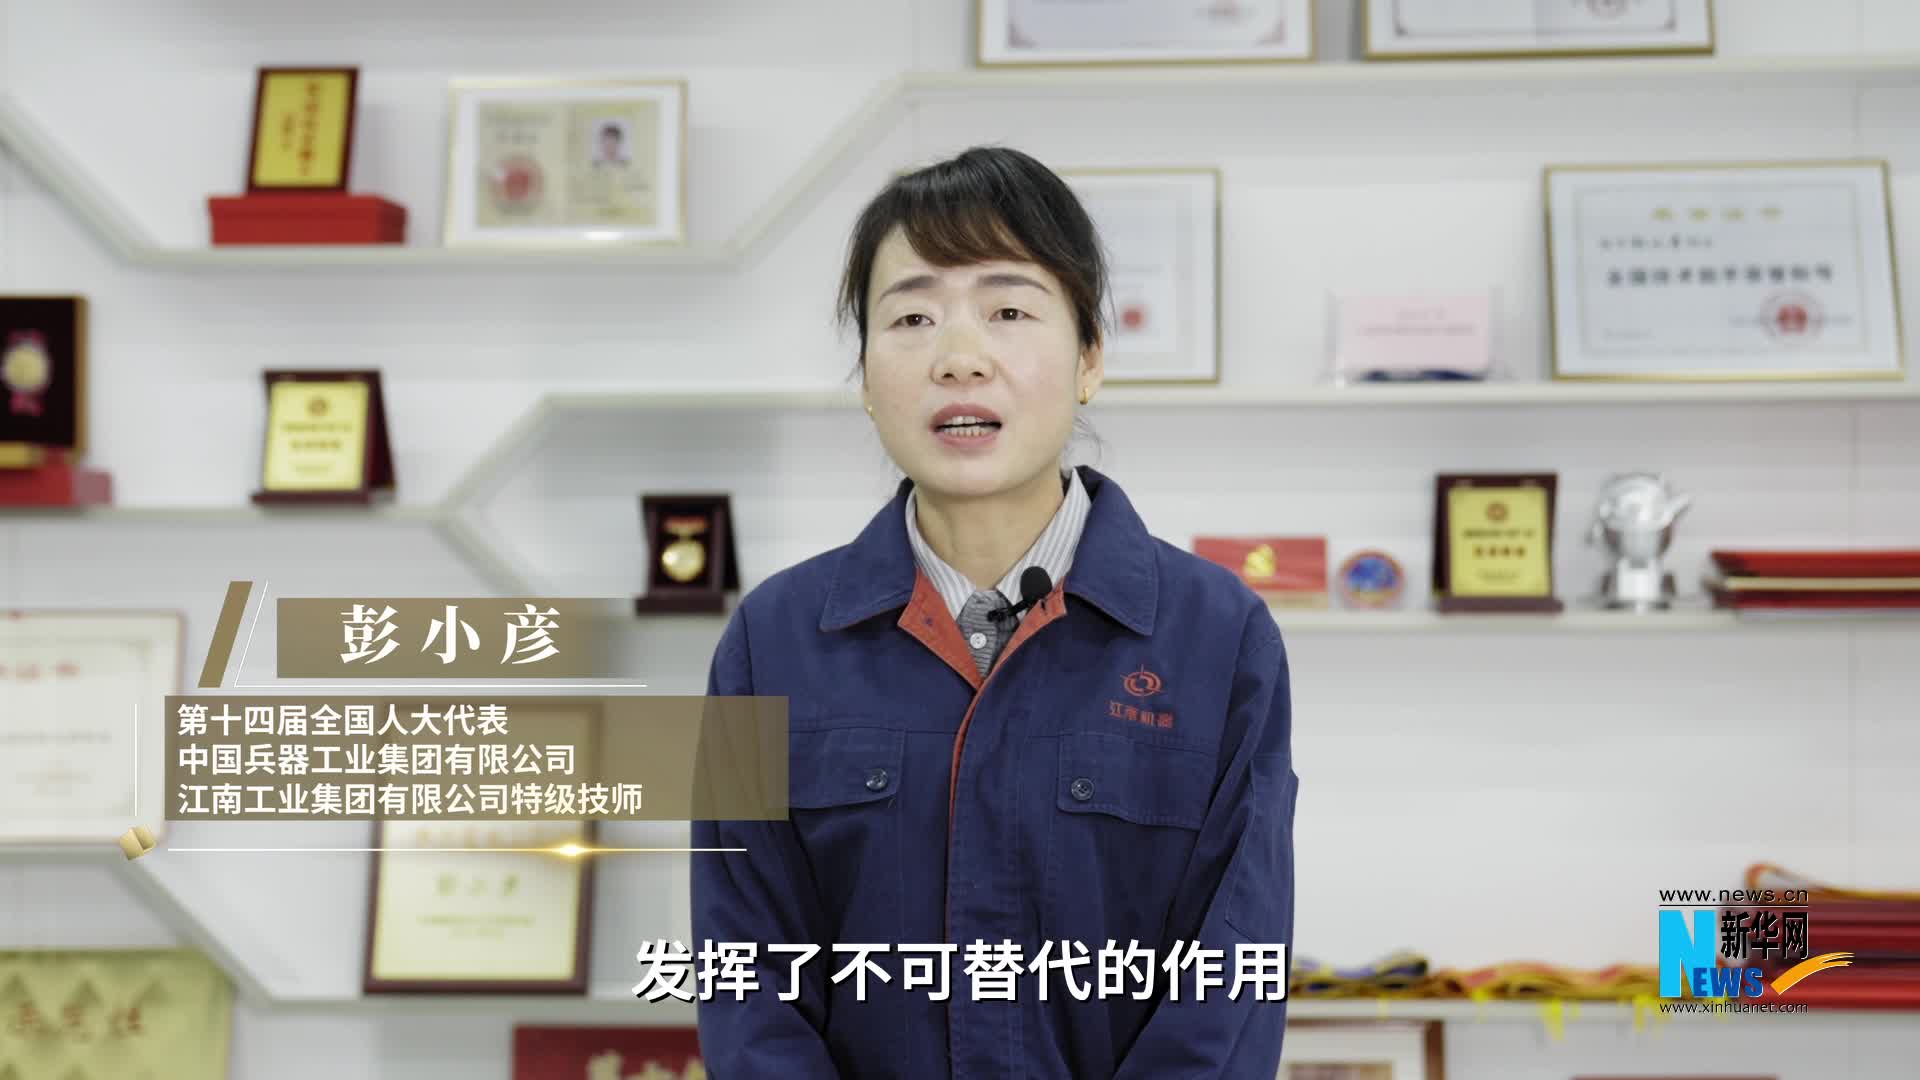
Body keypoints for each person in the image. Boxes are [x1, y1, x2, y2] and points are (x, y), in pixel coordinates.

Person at [690, 145, 1297, 1078]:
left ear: (1089, 358)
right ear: (865, 379)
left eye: (1009, 311)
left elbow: (1231, 981)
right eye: (912, 317)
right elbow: (743, 975)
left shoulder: (1218, 636)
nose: (959, 358)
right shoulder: (767, 643)